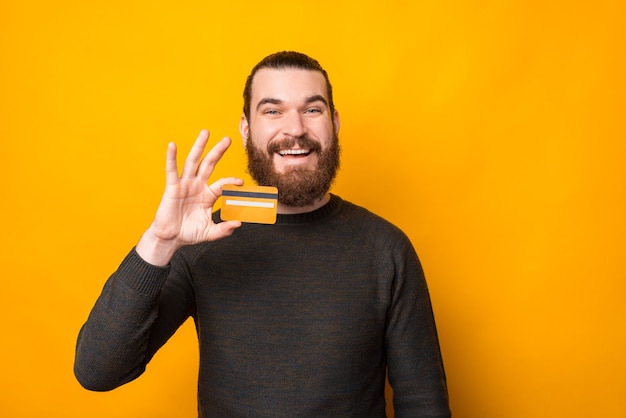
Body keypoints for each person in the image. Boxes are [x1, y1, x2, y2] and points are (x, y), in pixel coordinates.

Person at [74, 51, 451, 417]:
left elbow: (423, 403)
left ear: (334, 122)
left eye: (312, 109)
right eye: (273, 110)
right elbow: (98, 371)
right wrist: (159, 241)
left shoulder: (386, 249)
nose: (295, 129)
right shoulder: (204, 241)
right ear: (246, 128)